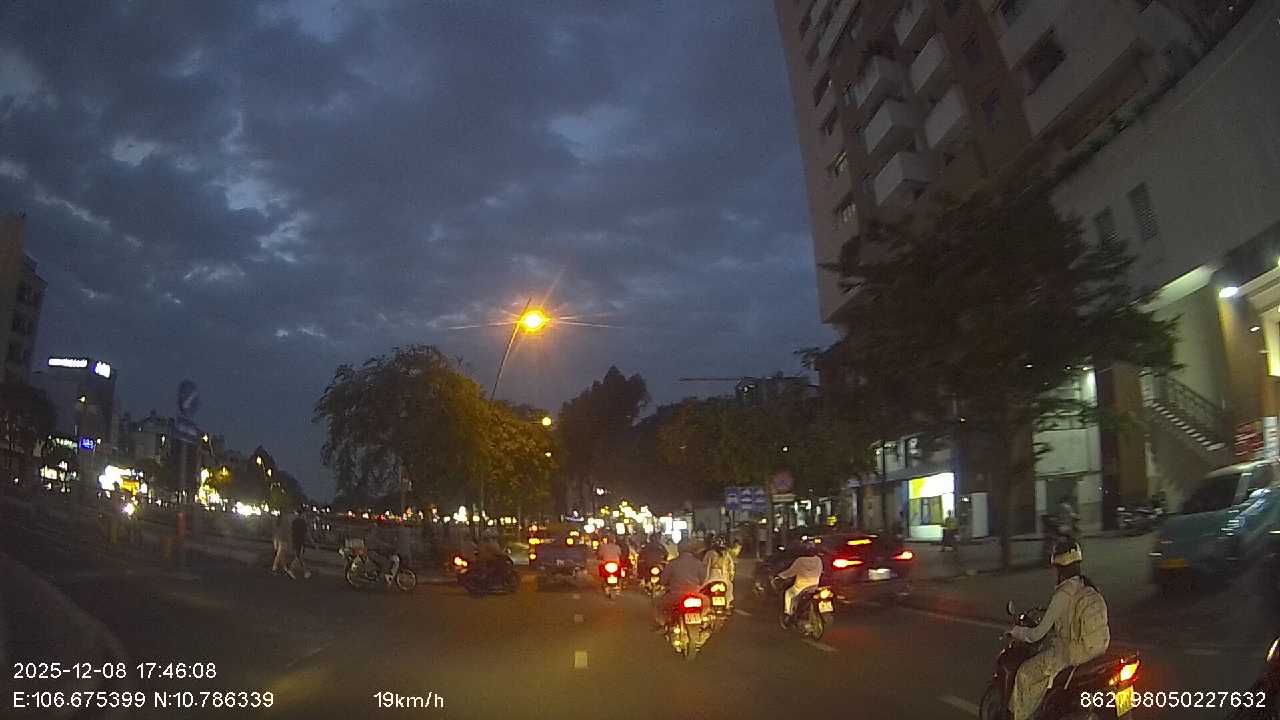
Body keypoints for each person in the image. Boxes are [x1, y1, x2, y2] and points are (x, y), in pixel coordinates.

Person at [1007, 539, 1110, 720]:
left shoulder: (1063, 594)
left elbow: (1036, 634)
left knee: (1025, 673)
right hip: (1096, 650)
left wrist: (1016, 632)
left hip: (1070, 654)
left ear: (1059, 567)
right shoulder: (1087, 586)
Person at [653, 540, 707, 629]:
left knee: (657, 602)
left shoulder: (672, 563)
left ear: (678, 550)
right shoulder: (698, 563)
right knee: (707, 603)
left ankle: (663, 625)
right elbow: (703, 579)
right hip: (695, 594)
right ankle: (704, 622)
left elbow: (663, 581)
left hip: (675, 596)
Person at [775, 541, 823, 624]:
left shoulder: (800, 560)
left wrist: (780, 576)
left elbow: (790, 572)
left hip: (801, 587)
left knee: (788, 593)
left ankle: (788, 614)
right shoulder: (818, 560)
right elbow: (821, 570)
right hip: (814, 586)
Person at [704, 535, 736, 608]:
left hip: (711, 578)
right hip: (724, 578)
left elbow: (705, 567)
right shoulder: (726, 554)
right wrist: (731, 577)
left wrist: (704, 579)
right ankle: (727, 605)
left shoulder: (710, 553)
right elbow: (731, 567)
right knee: (729, 588)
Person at [287, 508, 311, 579]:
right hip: (301, 541)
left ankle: (305, 571)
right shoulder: (303, 522)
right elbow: (307, 533)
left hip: (295, 540)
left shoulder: (294, 521)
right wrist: (312, 542)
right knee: (299, 557)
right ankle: (292, 569)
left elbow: (291, 531)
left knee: (299, 556)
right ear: (302, 514)